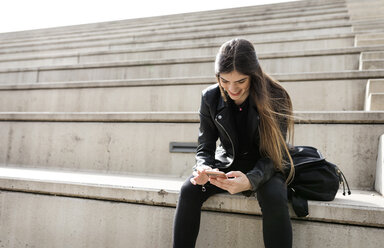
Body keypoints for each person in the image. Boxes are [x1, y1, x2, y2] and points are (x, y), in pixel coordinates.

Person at [172, 38, 294, 248]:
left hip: (266, 165)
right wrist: (203, 169)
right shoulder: (209, 97)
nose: (232, 88)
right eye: (225, 80)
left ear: (253, 76)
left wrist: (250, 180)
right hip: (228, 163)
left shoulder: (276, 95)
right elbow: (205, 146)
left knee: (274, 195)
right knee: (189, 189)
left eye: (240, 81)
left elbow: (277, 155)